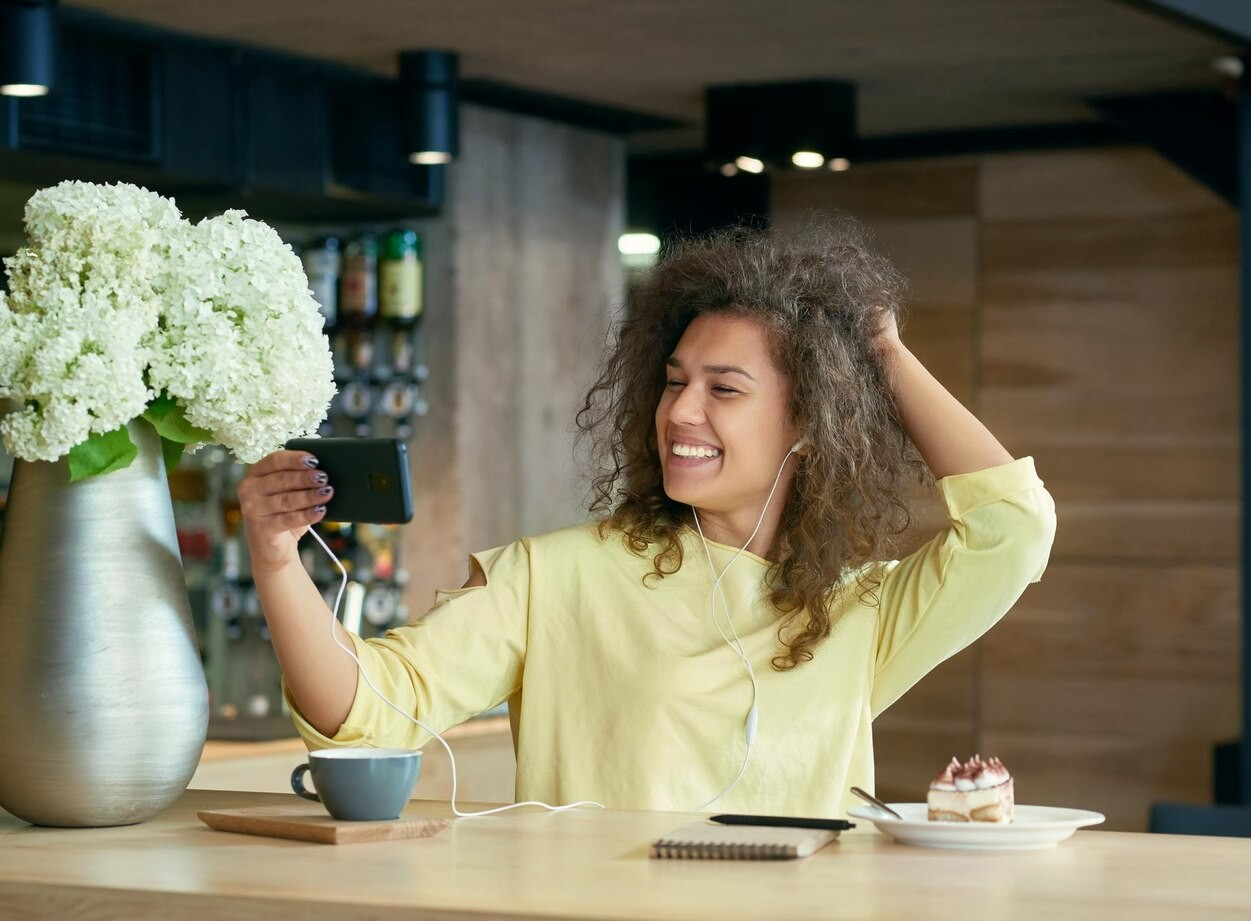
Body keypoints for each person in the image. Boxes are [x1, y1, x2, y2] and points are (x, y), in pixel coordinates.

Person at [239, 217, 1056, 817]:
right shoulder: (554, 577)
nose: (681, 411)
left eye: (724, 389)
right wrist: (278, 562)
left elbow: (1011, 529)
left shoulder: (856, 613)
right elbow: (366, 711)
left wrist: (880, 352)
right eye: (674, 381)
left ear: (809, 424)